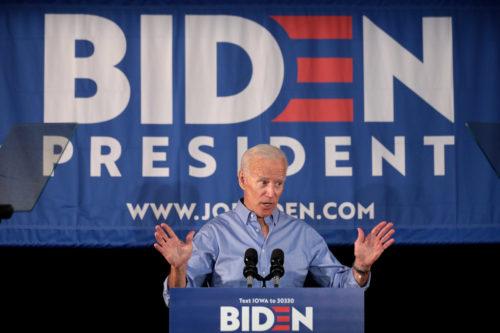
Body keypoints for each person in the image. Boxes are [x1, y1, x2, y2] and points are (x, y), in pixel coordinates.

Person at [154, 144, 395, 305]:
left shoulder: (302, 235)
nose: (271, 193)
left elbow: (346, 294)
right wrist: (178, 269)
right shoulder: (215, 234)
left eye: (278, 184)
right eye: (263, 183)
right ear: (242, 179)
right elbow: (177, 301)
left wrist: (361, 267)